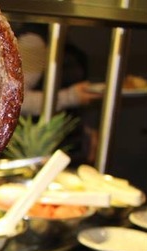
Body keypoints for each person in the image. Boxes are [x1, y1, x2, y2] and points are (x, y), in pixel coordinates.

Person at [14, 23, 101, 164]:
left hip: (64, 144)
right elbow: (16, 101)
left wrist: (86, 132)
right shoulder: (34, 39)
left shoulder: (57, 33)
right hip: (36, 152)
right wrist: (70, 97)